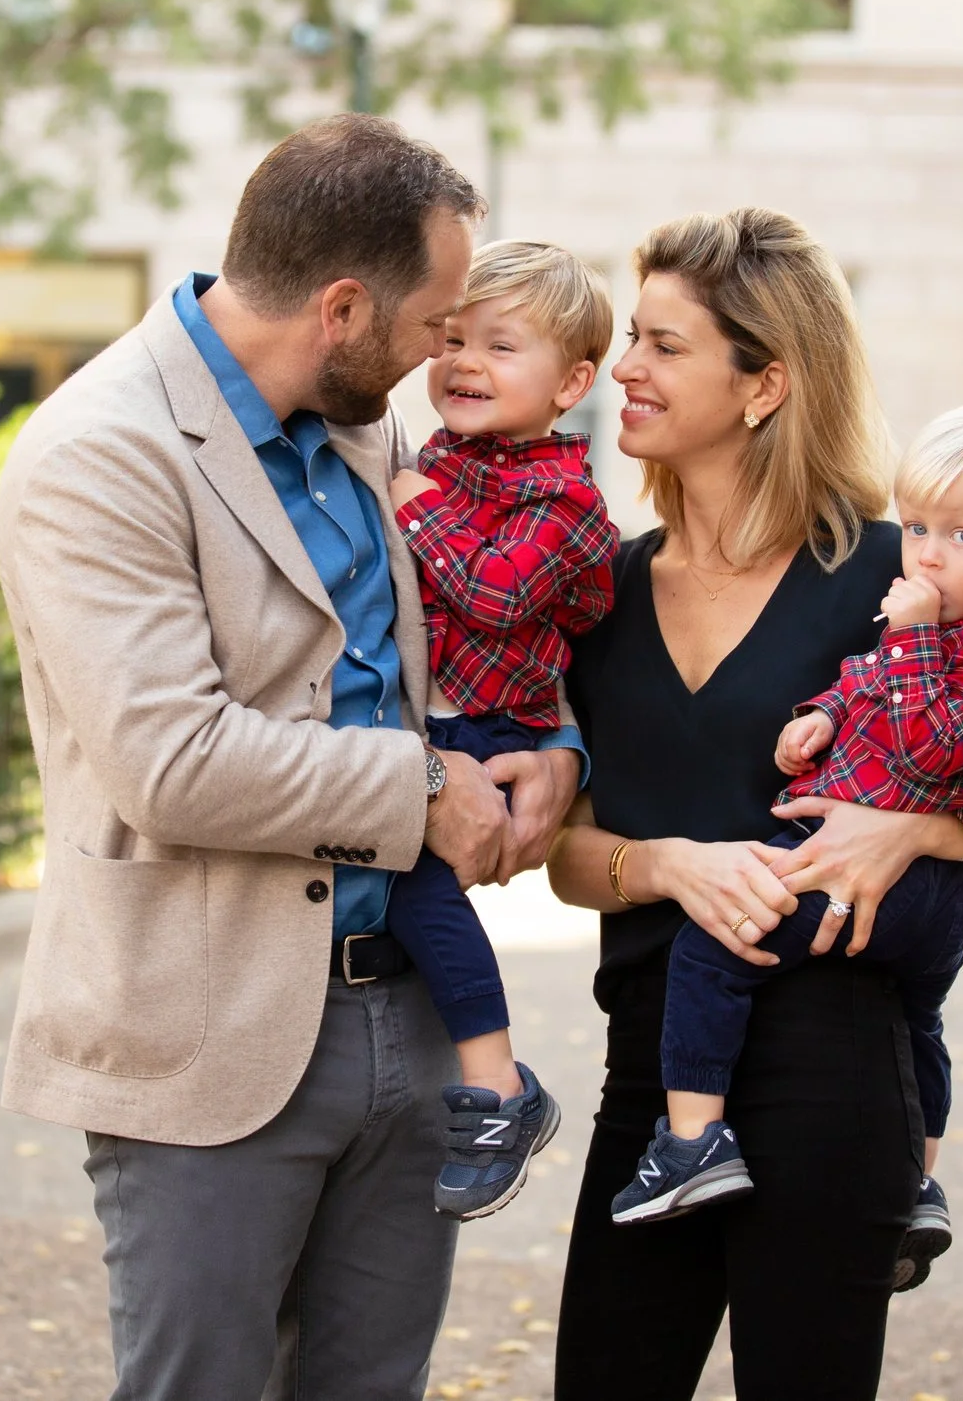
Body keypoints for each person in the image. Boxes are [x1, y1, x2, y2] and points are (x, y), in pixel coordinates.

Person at [0, 114, 585, 1401]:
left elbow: (472, 621)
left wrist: (557, 745)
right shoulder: (100, 450)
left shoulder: (361, 422)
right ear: (342, 308)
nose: (440, 355)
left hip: (411, 1014)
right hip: (205, 1030)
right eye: (431, 323)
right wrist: (426, 788)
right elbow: (173, 759)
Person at [541, 208, 963, 1400]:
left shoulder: (898, 573)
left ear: (763, 383)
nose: (625, 367)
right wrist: (667, 864)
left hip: (830, 1074)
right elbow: (568, 855)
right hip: (654, 1081)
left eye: (663, 344)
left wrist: (907, 828)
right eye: (632, 338)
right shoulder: (602, 592)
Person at [612, 399, 963, 1305]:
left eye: (962, 534)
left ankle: (691, 1143)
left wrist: (910, 637)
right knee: (924, 1026)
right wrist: (821, 716)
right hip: (926, 895)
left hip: (908, 890)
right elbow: (871, 684)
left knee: (712, 948)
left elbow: (933, 746)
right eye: (920, 527)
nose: (926, 554)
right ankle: (921, 1184)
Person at [380, 240, 620, 1219]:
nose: (464, 362)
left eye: (500, 345)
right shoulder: (443, 457)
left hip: (492, 723)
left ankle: (499, 1086)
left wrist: (417, 508)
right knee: (402, 884)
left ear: (571, 384)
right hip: (436, 716)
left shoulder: (563, 497)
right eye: (451, 339)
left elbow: (496, 593)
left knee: (411, 879)